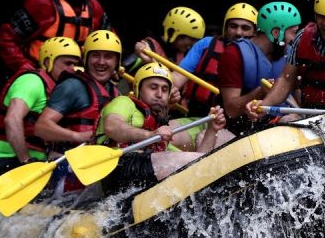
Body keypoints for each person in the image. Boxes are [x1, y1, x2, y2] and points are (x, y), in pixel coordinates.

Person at [95, 62, 227, 198]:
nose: (159, 94)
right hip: (120, 168)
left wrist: (212, 129)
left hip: (145, 169)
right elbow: (112, 126)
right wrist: (150, 135)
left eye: (165, 90)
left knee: (200, 163)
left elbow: (200, 164)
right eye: (153, 87)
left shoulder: (158, 128)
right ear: (138, 89)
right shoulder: (124, 102)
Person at [0, 37, 82, 189]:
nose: (73, 69)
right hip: (8, 161)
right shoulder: (32, 82)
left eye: (75, 64)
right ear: (48, 62)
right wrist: (26, 160)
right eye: (67, 63)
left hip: (37, 165)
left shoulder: (58, 91)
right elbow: (12, 119)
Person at [34, 29, 122, 196]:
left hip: (97, 167)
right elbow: (41, 127)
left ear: (117, 61)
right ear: (86, 58)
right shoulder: (73, 86)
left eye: (108, 56)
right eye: (95, 55)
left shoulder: (117, 95)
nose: (101, 62)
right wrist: (77, 137)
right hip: (65, 166)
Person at [217, 1, 302, 134]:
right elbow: (231, 110)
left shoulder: (291, 53)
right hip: (240, 129)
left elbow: (298, 98)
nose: (294, 39)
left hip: (282, 120)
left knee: (291, 120)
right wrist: (259, 92)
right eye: (293, 33)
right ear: (275, 33)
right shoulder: (233, 54)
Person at [173, 2, 258, 117]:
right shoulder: (206, 44)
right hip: (198, 117)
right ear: (225, 28)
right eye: (233, 26)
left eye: (245, 28)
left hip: (235, 123)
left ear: (254, 32)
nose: (238, 32)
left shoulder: (261, 56)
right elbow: (178, 78)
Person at [122, 6, 206, 75]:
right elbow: (123, 70)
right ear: (174, 33)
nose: (193, 44)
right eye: (192, 39)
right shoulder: (147, 46)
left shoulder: (184, 54)